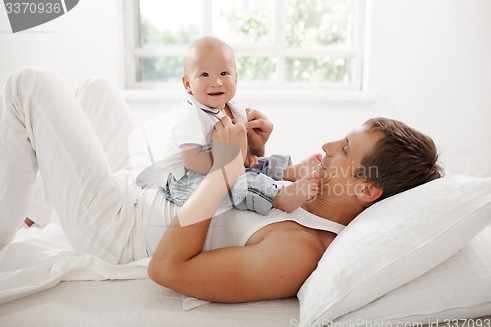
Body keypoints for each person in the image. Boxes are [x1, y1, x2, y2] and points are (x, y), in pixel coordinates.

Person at [0, 66, 442, 304]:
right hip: (148, 188)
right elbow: (250, 192)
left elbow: (167, 269)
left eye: (345, 149)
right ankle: (38, 213)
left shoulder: (298, 252)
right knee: (95, 88)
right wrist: (252, 150)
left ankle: (26, 217)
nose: (327, 145)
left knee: (29, 85)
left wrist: (225, 169)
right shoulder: (312, 193)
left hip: (119, 228)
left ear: (367, 190)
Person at [159, 36, 318, 215]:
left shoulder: (236, 112)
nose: (216, 82)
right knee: (241, 182)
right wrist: (230, 166)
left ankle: (288, 171)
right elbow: (192, 159)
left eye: (224, 73)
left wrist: (247, 156)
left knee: (256, 165)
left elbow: (242, 150)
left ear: (236, 79)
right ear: (188, 84)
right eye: (204, 75)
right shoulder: (191, 114)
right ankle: (278, 197)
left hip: (220, 166)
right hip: (185, 181)